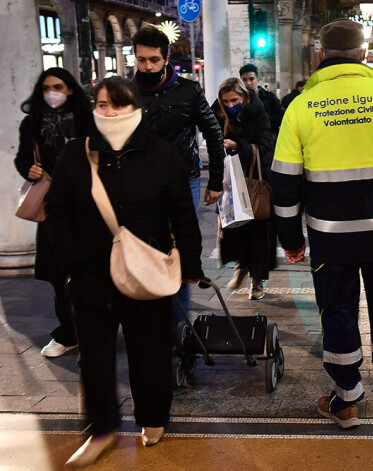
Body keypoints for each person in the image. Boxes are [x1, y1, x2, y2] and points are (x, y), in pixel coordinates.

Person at [272, 18, 373, 429]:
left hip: (330, 237)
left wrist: (291, 239)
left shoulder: (301, 107)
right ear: (364, 54)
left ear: (321, 54)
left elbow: (284, 185)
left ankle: (347, 400)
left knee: (337, 312)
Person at [46, 77, 203, 467]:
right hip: (91, 274)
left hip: (145, 270)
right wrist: (65, 269)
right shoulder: (75, 154)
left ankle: (152, 418)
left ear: (135, 109)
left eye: (117, 104)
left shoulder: (162, 154)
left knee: (149, 351)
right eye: (102, 105)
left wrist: (191, 265)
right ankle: (100, 430)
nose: (109, 112)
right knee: (94, 358)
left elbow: (183, 213)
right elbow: (58, 213)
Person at [131, 26, 224, 315]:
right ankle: (148, 309)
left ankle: (178, 322)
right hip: (139, 182)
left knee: (177, 245)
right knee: (143, 244)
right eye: (142, 60)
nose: (147, 66)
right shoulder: (127, 92)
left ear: (166, 58)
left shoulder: (189, 91)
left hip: (184, 179)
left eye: (154, 60)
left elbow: (214, 133)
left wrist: (216, 181)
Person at [14, 67, 93, 358]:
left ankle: (93, 327)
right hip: (52, 208)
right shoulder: (31, 124)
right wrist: (29, 169)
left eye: (57, 87)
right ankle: (67, 332)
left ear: (70, 89)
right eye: (46, 88)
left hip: (86, 206)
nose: (51, 93)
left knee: (88, 270)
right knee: (59, 274)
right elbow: (22, 157)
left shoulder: (87, 120)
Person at [211, 78, 276, 300]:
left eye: (234, 100)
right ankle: (242, 265)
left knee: (258, 232)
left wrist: (239, 146)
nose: (230, 105)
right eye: (225, 101)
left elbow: (266, 143)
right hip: (228, 179)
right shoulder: (217, 113)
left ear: (243, 97)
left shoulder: (257, 111)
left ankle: (257, 279)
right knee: (233, 230)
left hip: (253, 178)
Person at [239, 63, 286, 135]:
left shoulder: (269, 97)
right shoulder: (238, 99)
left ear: (258, 80)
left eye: (251, 79)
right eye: (244, 80)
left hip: (269, 139)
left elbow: (283, 117)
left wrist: (263, 117)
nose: (248, 83)